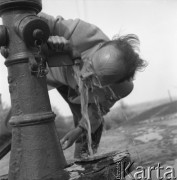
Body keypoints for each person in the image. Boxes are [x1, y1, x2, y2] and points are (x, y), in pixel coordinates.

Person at [0, 12, 146, 159]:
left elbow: (96, 111)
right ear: (100, 47)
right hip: (52, 72)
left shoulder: (120, 88)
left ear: (112, 84)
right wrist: (21, 40)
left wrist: (79, 130)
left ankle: (85, 163)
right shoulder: (78, 32)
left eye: (97, 79)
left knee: (88, 136)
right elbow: (27, 17)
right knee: (15, 120)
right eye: (90, 65)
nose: (85, 75)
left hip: (82, 92)